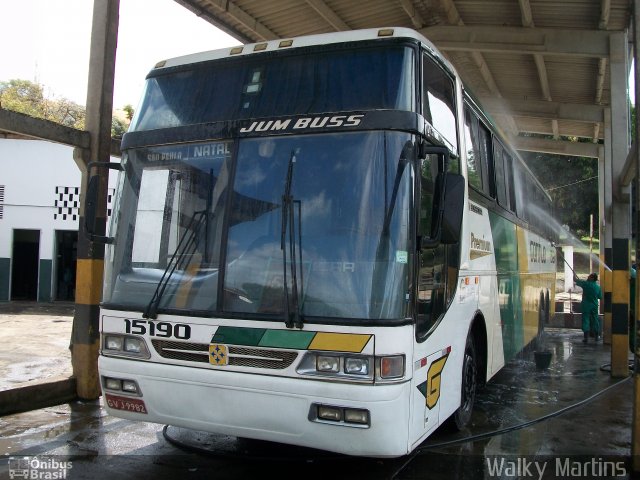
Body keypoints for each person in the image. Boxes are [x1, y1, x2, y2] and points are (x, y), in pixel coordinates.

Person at [574, 273, 603, 343]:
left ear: (592, 278)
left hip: (586, 306)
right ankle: (596, 337)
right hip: (594, 306)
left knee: (585, 320)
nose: (588, 277)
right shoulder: (598, 287)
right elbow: (600, 297)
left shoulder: (585, 284)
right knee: (595, 320)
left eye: (589, 276)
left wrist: (574, 275)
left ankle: (586, 338)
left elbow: (575, 280)